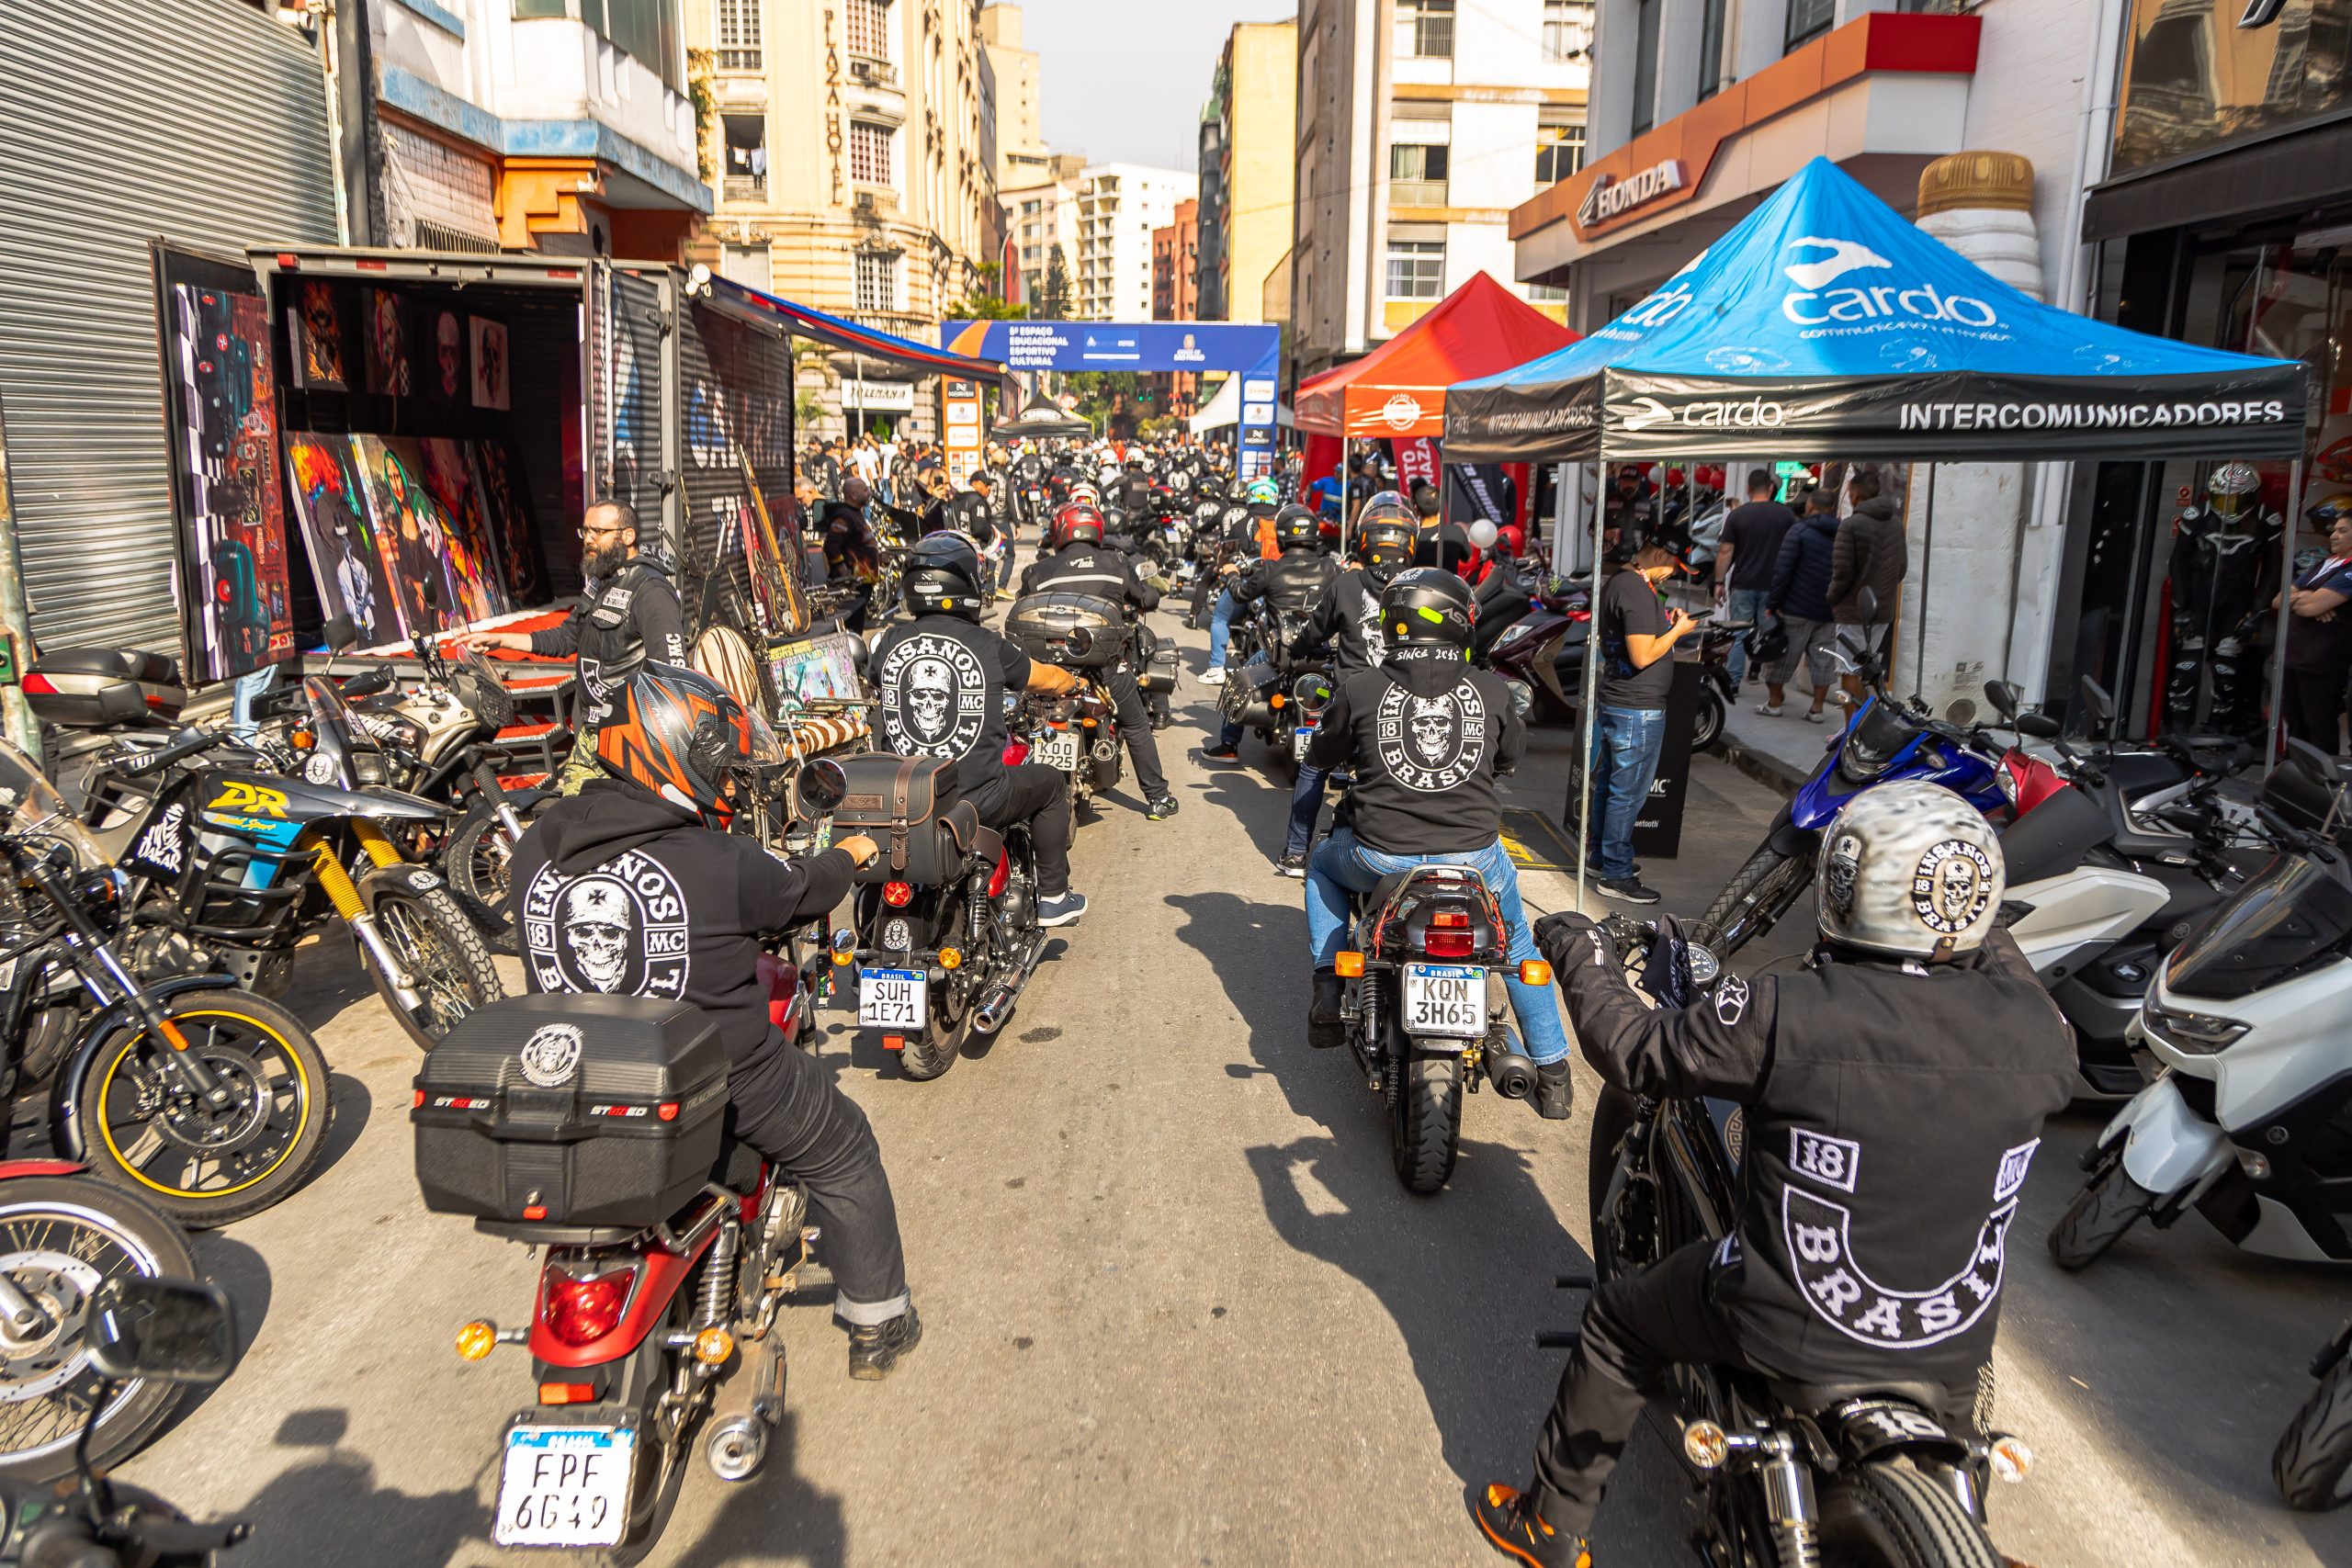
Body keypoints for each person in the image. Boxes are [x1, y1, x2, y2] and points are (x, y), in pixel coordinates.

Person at [1476, 781, 2075, 1566]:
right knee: (1961, 1431)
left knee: (1621, 1321)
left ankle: (1550, 1524)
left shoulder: (1786, 1009)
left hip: (1782, 1315)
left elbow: (1634, 1051)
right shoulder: (2042, 1033)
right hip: (1949, 1344)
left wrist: (1582, 952)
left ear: (1843, 888)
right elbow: (1997, 955)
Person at [509, 664, 924, 1379]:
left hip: (582, 1076)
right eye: (721, 769)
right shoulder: (715, 858)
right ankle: (877, 1320)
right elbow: (801, 891)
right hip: (726, 1072)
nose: (729, 786)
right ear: (671, 753)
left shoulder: (534, 849)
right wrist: (851, 853)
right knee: (845, 1146)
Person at [1301, 569, 1574, 1116]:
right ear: (1458, 622)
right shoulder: (1492, 688)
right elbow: (1509, 759)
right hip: (1475, 860)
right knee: (1515, 944)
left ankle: (1329, 986)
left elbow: (1322, 755)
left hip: (1379, 858)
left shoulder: (1361, 686)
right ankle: (1553, 1072)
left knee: (1321, 869)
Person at [868, 534, 1089, 926]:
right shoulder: (989, 644)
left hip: (902, 800)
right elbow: (1047, 679)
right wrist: (1074, 683)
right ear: (970, 584)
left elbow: (872, 677)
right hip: (975, 798)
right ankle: (1054, 897)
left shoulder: (888, 642)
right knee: (1052, 783)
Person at [1238, 496, 1420, 876]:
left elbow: (1313, 633)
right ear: (1410, 544)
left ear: (1365, 540)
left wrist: (1300, 647)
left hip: (1354, 702)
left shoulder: (1347, 584)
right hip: (1412, 702)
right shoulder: (1425, 588)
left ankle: (1295, 852)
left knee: (1314, 765)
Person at [460, 497, 685, 794]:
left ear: (628, 536)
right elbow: (566, 638)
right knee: (575, 819)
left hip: (631, 739)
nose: (588, 539)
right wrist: (500, 640)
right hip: (592, 734)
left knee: (609, 826)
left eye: (598, 532)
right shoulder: (599, 583)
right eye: (585, 532)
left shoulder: (651, 590)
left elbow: (671, 674)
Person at [1019, 502, 1180, 820]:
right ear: (1097, 530)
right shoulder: (1116, 562)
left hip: (1050, 667)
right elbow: (1148, 598)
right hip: (1104, 665)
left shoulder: (1038, 571)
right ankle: (1158, 798)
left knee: (1020, 720)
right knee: (1135, 723)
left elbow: (1023, 606)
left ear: (1059, 530)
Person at [1585, 531, 1693, 905]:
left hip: (1624, 702)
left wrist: (1667, 625)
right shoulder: (1634, 588)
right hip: (1636, 707)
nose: (1671, 576)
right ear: (1659, 552)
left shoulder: (1625, 583)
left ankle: (1602, 859)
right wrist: (1678, 630)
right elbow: (1643, 655)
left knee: (1612, 788)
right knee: (1627, 794)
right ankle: (1615, 872)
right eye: (1672, 567)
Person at [1202, 503, 1340, 776]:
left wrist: (1230, 573)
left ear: (1282, 536)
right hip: (1323, 652)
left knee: (1238, 680)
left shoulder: (1272, 569)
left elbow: (1241, 594)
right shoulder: (1330, 568)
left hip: (1282, 651)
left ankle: (1229, 744)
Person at [2276, 495, 2352, 751]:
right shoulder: (2324, 563)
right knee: (2295, 726)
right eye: (2333, 530)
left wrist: (2306, 601)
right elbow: (2278, 600)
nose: (2334, 535)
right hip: (2295, 656)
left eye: (2343, 531)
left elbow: (2311, 606)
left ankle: (2320, 789)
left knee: (2318, 727)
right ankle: (2291, 780)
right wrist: (2307, 599)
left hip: (2322, 662)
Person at [1758, 491, 1842, 722]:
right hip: (1828, 609)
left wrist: (1774, 602)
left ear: (1811, 504)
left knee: (1782, 656)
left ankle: (1775, 702)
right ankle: (1817, 709)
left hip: (1796, 606)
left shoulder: (1800, 530)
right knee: (1823, 660)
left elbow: (1783, 570)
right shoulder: (1842, 532)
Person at [1827, 468, 1907, 707]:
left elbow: (1842, 572)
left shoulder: (1851, 525)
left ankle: (1850, 732)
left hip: (1853, 608)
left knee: (1849, 668)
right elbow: (1901, 568)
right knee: (1866, 668)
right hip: (1883, 608)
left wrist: (1832, 597)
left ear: (1854, 494)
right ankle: (1860, 729)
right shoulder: (1895, 524)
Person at [1713, 469, 1797, 694]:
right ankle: (1771, 688)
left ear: (1748, 489)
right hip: (1774, 587)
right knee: (1770, 634)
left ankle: (1732, 682)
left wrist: (1718, 582)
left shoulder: (1738, 516)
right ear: (1770, 488)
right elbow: (1795, 551)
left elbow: (1725, 551)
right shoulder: (1786, 516)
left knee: (1738, 634)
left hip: (1743, 583)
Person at [1199, 477, 1283, 682]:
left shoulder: (1241, 523)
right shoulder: (1283, 521)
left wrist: (1224, 568)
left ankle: (1216, 668)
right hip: (1280, 583)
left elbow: (1226, 555)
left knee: (1219, 615)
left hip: (1248, 584)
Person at [816, 476, 881, 633]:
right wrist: (842, 569)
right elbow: (831, 545)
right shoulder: (844, 515)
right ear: (853, 494)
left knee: (858, 627)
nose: (869, 493)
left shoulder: (855, 514)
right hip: (852, 586)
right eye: (865, 490)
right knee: (852, 630)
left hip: (862, 583)